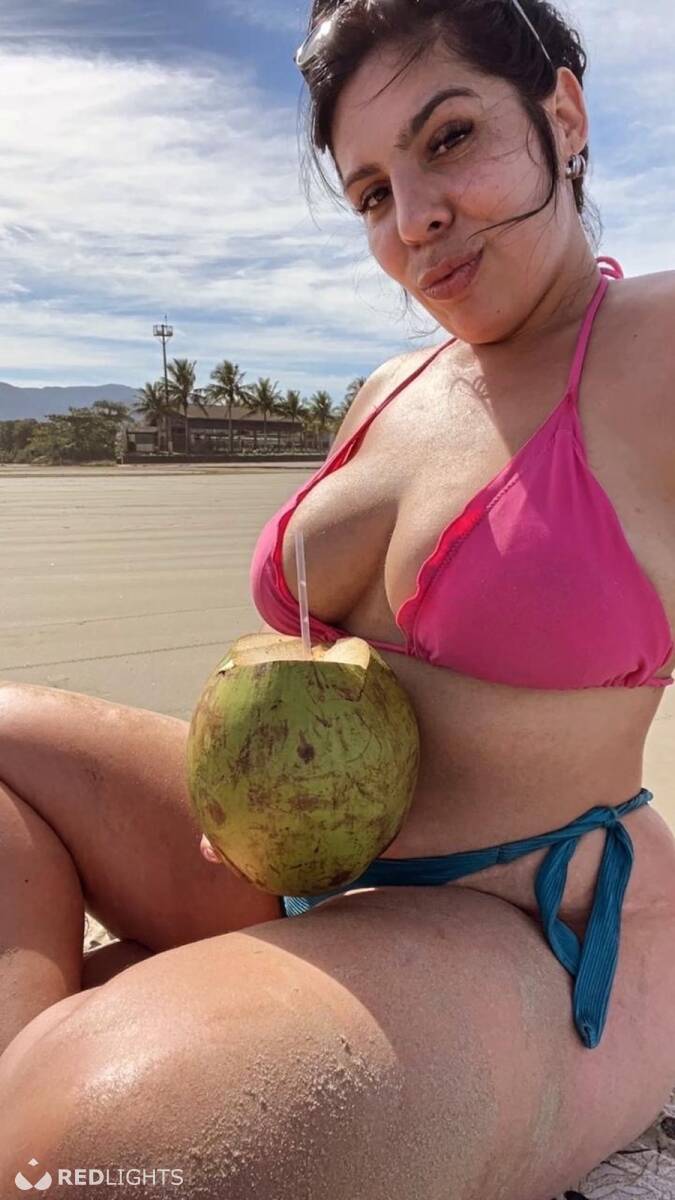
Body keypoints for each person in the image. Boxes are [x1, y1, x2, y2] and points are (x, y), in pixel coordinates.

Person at [0, 1, 674, 1197]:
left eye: (450, 138)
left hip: (530, 931)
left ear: (563, 116)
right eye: (370, 193)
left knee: (83, 1143)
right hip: (283, 861)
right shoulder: (388, 385)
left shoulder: (653, 350)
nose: (413, 220)